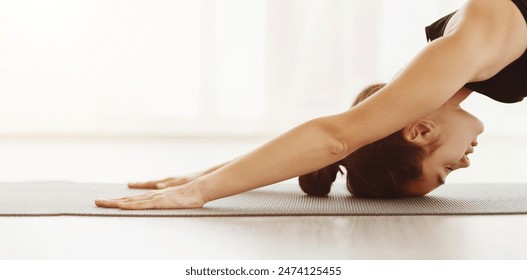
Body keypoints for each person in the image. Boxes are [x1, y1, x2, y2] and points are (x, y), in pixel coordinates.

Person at [95, 0, 527, 209]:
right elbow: (352, 133)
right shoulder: (442, 83)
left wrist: (198, 190)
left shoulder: (466, 51)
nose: (466, 164)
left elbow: (337, 138)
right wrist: (205, 172)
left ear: (420, 133)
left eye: (447, 168)